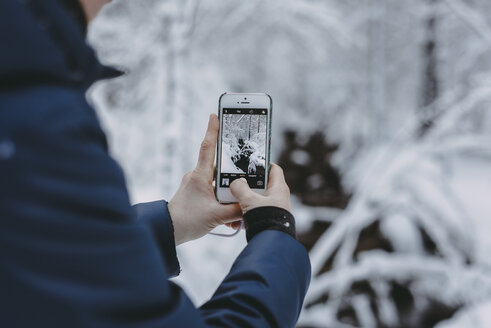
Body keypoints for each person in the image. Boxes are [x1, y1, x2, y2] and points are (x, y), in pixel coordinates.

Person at [0, 0, 311, 327]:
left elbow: (37, 261)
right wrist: (276, 234)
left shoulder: (22, 91)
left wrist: (171, 223)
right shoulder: (35, 120)